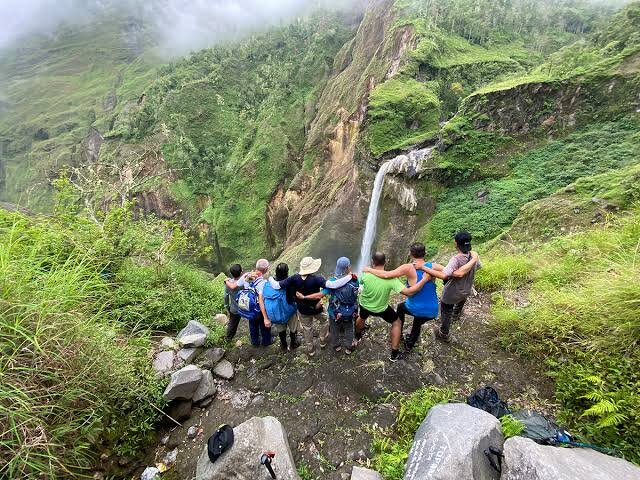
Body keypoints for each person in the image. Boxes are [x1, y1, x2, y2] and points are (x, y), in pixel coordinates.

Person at [364, 243, 477, 351]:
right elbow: (453, 272)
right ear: (425, 253)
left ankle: (400, 334)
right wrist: (473, 259)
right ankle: (409, 346)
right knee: (417, 322)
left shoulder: (407, 268)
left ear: (411, 254)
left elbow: (386, 275)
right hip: (433, 310)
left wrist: (369, 270)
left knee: (400, 308)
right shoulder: (433, 266)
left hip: (415, 308)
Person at [268, 257, 351, 356]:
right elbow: (333, 285)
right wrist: (349, 277)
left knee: (307, 328)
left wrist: (269, 278)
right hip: (317, 307)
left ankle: (310, 349)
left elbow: (276, 285)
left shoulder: (294, 278)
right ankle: (322, 340)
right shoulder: (316, 279)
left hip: (303, 310)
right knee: (325, 321)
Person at [357, 252, 429, 362]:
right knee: (397, 322)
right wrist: (424, 280)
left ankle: (357, 336)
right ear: (386, 262)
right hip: (381, 309)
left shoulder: (365, 274)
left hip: (364, 305)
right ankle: (394, 354)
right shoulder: (392, 279)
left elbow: (358, 284)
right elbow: (409, 292)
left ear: (372, 262)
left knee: (361, 317)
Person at [420, 232, 480, 343]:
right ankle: (456, 315)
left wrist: (423, 268)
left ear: (456, 243)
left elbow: (444, 275)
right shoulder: (473, 256)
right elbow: (479, 267)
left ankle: (443, 333)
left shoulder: (456, 259)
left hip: (452, 292)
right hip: (466, 288)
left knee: (446, 310)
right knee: (461, 300)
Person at [301, 257, 359, 354]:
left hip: (335, 312)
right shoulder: (355, 280)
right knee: (349, 328)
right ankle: (349, 347)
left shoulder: (332, 281)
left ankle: (337, 346)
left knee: (334, 328)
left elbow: (320, 295)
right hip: (350, 311)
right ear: (348, 267)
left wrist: (304, 297)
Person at [226, 259, 272, 347]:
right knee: (263, 325)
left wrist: (226, 281)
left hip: (249, 307)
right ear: (266, 269)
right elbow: (261, 301)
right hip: (259, 309)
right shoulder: (263, 282)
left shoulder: (246, 276)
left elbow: (232, 286)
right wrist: (266, 318)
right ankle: (266, 342)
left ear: (256, 266)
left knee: (252, 324)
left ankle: (255, 342)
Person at [261, 263, 300, 352]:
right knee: (293, 328)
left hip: (277, 311)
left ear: (276, 272)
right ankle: (293, 343)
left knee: (281, 328)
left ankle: (283, 346)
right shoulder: (289, 283)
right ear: (287, 272)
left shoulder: (269, 283)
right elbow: (295, 297)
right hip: (289, 311)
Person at [224, 264, 243, 341]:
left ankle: (228, 338)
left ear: (231, 274)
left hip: (234, 308)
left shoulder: (229, 283)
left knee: (232, 324)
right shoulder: (244, 282)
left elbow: (225, 296)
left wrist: (227, 306)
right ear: (241, 272)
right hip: (246, 307)